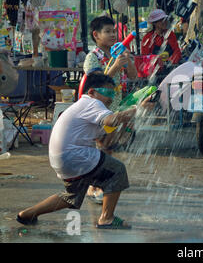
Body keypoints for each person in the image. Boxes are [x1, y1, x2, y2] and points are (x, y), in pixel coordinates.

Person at [16, 73, 155, 229]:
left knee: (71, 197)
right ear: (91, 92)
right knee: (117, 171)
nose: (110, 98)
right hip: (73, 155)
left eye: (113, 93)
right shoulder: (92, 103)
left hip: (61, 158)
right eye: (107, 92)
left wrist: (129, 122)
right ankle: (106, 218)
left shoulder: (87, 108)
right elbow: (110, 120)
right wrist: (138, 109)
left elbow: (106, 142)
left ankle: (27, 214)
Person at [84, 16, 138, 203]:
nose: (112, 35)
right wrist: (115, 65)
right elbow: (99, 82)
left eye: (114, 31)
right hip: (97, 109)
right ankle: (93, 187)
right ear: (96, 35)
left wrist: (127, 60)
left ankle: (96, 185)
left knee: (108, 148)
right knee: (101, 147)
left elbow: (133, 76)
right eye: (107, 31)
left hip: (115, 107)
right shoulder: (93, 57)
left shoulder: (117, 52)